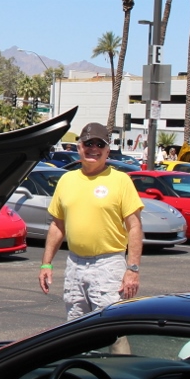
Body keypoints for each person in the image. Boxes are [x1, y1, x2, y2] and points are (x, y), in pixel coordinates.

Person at [38, 122, 144, 321]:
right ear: (79, 147)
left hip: (108, 264)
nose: (93, 149)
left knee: (110, 327)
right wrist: (46, 264)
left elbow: (135, 227)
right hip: (74, 263)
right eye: (88, 144)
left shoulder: (120, 180)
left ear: (107, 150)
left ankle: (117, 355)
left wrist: (133, 269)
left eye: (99, 145)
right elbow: (57, 225)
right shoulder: (66, 180)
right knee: (75, 327)